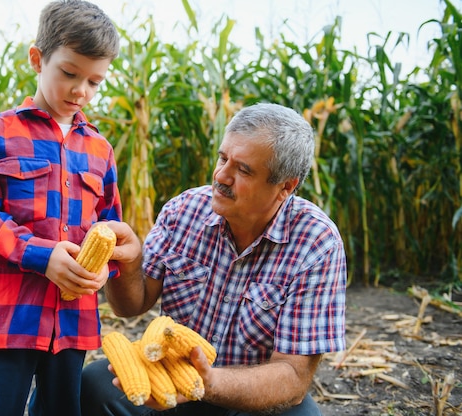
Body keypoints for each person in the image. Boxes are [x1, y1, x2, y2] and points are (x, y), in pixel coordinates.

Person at [82, 103, 347, 416]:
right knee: (92, 384)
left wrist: (207, 381)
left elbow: (293, 376)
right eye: (223, 158)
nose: (221, 175)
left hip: (247, 400)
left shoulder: (316, 244)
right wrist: (129, 263)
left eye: (243, 170)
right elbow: (130, 306)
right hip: (169, 380)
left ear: (285, 187)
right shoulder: (183, 211)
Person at [0, 1, 120, 415]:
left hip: (73, 323)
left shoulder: (100, 149)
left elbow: (110, 226)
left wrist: (104, 267)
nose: (81, 90)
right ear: (37, 59)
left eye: (95, 81)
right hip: (7, 319)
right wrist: (40, 256)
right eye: (69, 73)